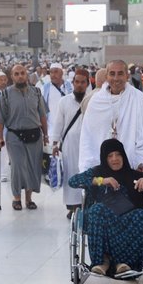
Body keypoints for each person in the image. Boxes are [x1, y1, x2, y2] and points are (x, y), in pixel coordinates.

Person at [69, 139, 143, 275]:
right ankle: (102, 261)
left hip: (129, 217)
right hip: (103, 217)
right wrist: (101, 180)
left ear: (123, 156)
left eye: (118, 154)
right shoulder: (98, 172)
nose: (115, 159)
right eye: (110, 156)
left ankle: (124, 262)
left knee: (142, 216)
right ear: (104, 158)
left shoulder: (135, 175)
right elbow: (73, 181)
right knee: (96, 210)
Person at [79, 60, 143, 176]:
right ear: (106, 76)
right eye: (112, 74)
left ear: (127, 76)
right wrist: (88, 166)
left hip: (131, 166)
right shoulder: (96, 101)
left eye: (120, 74)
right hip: (101, 167)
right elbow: (88, 136)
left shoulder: (138, 98)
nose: (116, 78)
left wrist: (142, 162)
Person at [0, 64, 48, 210]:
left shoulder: (36, 92)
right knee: (18, 167)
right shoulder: (6, 94)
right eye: (16, 74)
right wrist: (0, 137)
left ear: (27, 75)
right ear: (12, 77)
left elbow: (42, 116)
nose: (20, 76)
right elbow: (0, 119)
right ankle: (17, 198)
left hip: (35, 135)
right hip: (14, 136)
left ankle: (29, 199)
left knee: (32, 167)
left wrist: (46, 135)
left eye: (22, 73)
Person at [52, 69, 90, 219]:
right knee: (71, 174)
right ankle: (72, 207)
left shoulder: (92, 100)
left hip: (87, 145)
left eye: (83, 82)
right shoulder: (64, 101)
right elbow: (58, 123)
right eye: (77, 82)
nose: (80, 85)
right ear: (73, 83)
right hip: (69, 145)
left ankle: (85, 205)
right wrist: (55, 143)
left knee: (86, 174)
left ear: (87, 84)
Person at [42, 63, 73, 137]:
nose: (53, 75)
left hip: (68, 129)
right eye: (51, 72)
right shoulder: (45, 88)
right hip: (51, 130)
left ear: (62, 73)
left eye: (56, 72)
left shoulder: (70, 87)